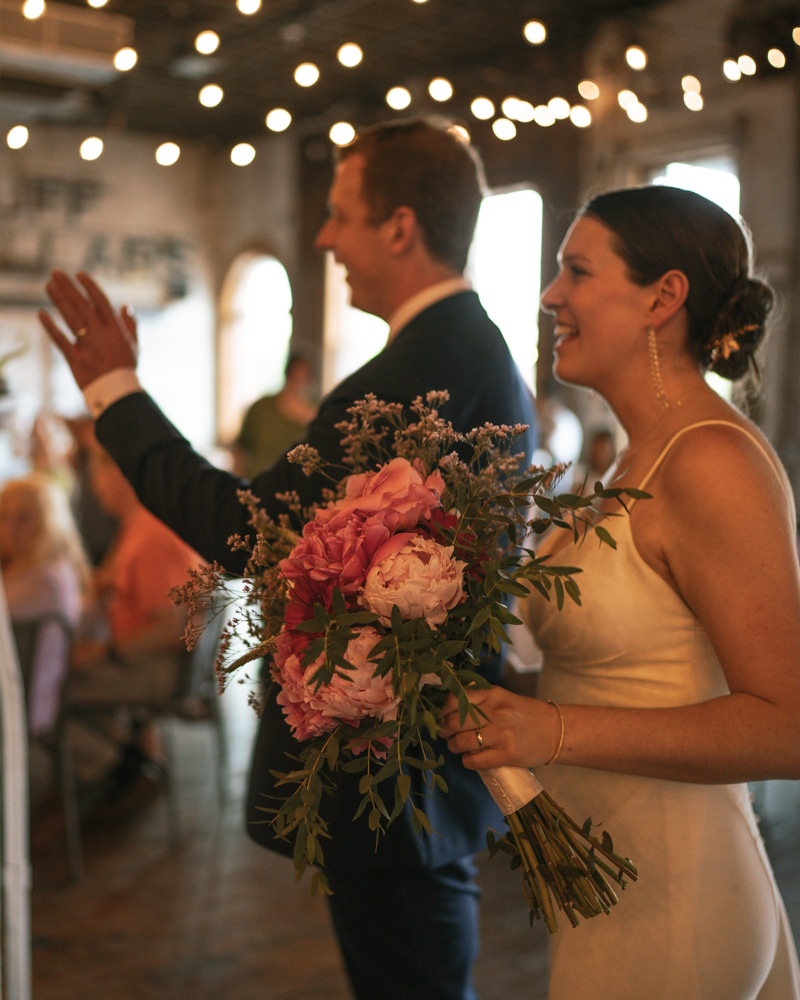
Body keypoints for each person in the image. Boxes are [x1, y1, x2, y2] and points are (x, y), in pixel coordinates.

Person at [38, 118, 537, 1000]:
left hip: (394, 770)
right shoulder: (466, 350)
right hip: (417, 764)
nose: (322, 238)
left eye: (340, 215)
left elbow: (248, 534)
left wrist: (116, 394)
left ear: (399, 226)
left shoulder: (414, 368)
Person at [440, 185, 800, 998]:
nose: (549, 295)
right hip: (608, 878)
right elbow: (620, 672)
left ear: (661, 298)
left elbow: (789, 728)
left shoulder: (712, 462)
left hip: (677, 889)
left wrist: (554, 728)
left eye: (576, 270)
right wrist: (476, 692)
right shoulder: (631, 461)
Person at [65, 440, 204, 798]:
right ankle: (128, 757)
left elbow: (168, 626)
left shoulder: (150, 534)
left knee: (47, 688)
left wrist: (105, 653)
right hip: (163, 664)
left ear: (119, 473)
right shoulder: (142, 524)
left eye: (95, 475)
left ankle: (117, 767)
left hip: (158, 668)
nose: (94, 489)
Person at [231, 353, 317, 479]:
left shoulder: (316, 413)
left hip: (295, 486)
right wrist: (238, 478)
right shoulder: (262, 408)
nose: (299, 383)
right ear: (287, 375)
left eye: (303, 378)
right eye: (296, 377)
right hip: (258, 480)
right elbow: (240, 447)